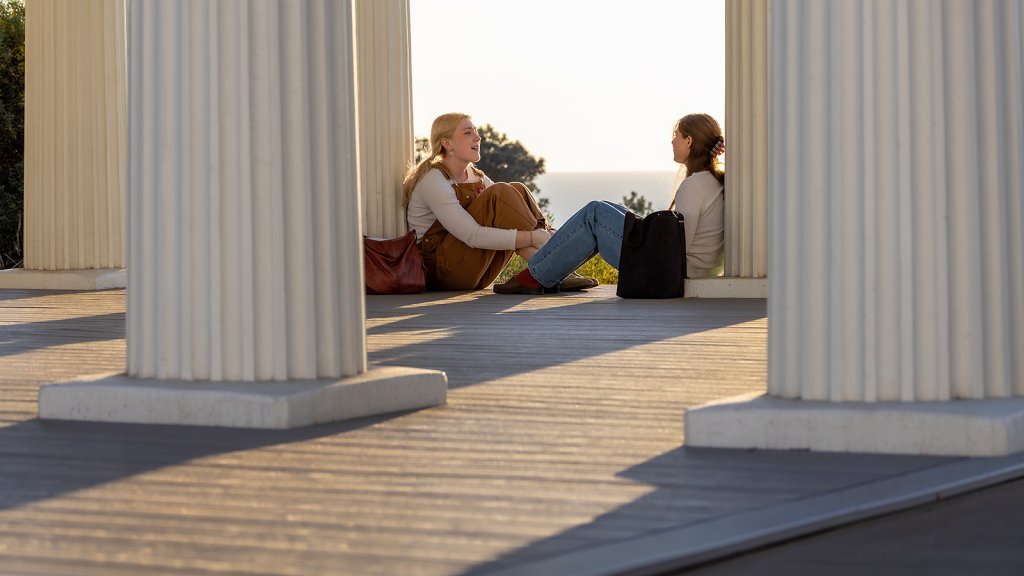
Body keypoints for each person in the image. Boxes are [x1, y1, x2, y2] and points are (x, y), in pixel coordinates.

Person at [493, 113, 725, 295]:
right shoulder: (712, 182)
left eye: (676, 134)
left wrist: (640, 235)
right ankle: (551, 274)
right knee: (608, 209)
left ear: (689, 141)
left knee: (595, 213)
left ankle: (535, 277)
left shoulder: (694, 185)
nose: (672, 140)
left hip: (664, 275)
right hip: (682, 271)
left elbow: (677, 248)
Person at [404, 112, 597, 292]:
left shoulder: (475, 175)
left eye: (476, 131)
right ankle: (553, 270)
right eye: (468, 132)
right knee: (500, 192)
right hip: (443, 273)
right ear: (447, 143)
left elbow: (509, 208)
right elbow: (472, 236)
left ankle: (551, 270)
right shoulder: (434, 180)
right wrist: (532, 237)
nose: (477, 137)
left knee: (516, 189)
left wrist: (543, 232)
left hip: (477, 270)